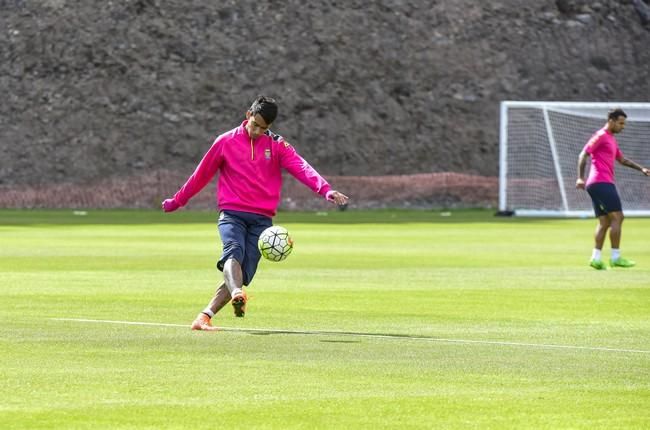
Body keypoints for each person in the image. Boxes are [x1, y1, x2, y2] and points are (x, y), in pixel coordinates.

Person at [162, 96, 349, 330]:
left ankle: (204, 317)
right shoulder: (225, 141)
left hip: (262, 220)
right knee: (234, 252)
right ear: (248, 115)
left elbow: (301, 166)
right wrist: (178, 201)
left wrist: (325, 189)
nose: (257, 131)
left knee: (244, 272)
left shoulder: (277, 145)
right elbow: (201, 175)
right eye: (255, 124)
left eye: (264, 128)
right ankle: (238, 292)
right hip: (232, 214)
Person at [576, 108, 649, 270]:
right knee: (618, 217)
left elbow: (622, 160)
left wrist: (641, 169)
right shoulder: (601, 136)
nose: (623, 127)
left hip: (600, 183)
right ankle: (616, 257)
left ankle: (595, 258)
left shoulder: (611, 139)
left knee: (605, 221)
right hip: (600, 182)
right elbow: (583, 154)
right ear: (611, 121)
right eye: (621, 123)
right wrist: (580, 177)